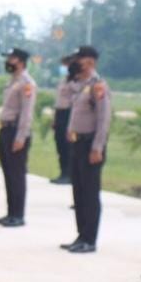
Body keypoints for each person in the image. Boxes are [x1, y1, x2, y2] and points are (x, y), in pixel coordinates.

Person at [60, 46, 110, 253]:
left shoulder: (98, 86)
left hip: (91, 145)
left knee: (89, 194)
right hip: (78, 144)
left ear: (90, 62)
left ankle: (90, 239)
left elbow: (103, 119)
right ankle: (81, 235)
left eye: (79, 59)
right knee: (78, 192)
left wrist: (97, 147)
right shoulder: (80, 85)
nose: (76, 63)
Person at [0, 47, 36, 227]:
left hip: (16, 132)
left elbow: (26, 113)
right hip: (5, 130)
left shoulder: (27, 83)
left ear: (21, 61)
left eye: (12, 59)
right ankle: (10, 213)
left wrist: (21, 137)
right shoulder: (13, 81)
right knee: (8, 174)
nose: (8, 62)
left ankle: (18, 215)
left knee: (17, 175)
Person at [50, 53, 77, 185]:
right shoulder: (64, 80)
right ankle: (63, 172)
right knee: (60, 144)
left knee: (68, 146)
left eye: (66, 65)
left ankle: (69, 174)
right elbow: (59, 100)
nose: (64, 67)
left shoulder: (76, 82)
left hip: (69, 114)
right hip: (60, 113)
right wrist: (55, 118)